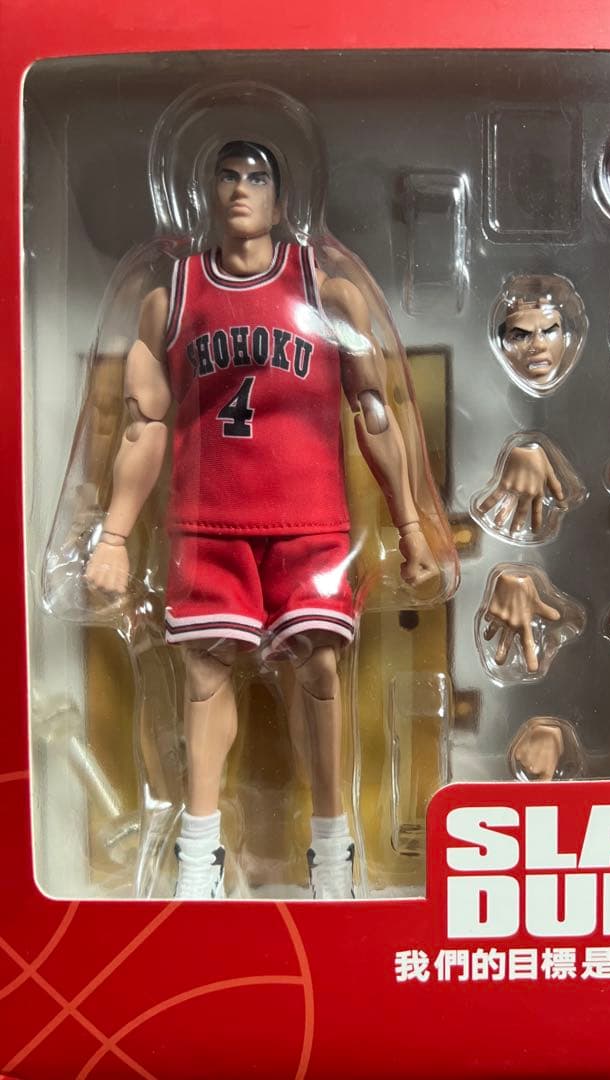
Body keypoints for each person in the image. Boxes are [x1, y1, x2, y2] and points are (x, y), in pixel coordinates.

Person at [84, 139, 438, 900]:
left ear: (283, 199)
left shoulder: (326, 290)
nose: (241, 189)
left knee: (319, 669)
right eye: (228, 176)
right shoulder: (172, 297)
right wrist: (112, 536)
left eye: (257, 177)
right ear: (207, 192)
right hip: (208, 524)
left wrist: (411, 527)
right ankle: (199, 853)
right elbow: (143, 426)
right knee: (204, 675)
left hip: (310, 523)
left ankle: (332, 848)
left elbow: (375, 411)